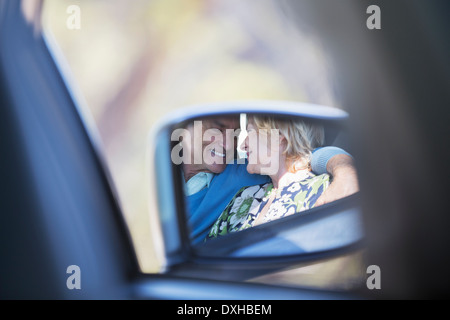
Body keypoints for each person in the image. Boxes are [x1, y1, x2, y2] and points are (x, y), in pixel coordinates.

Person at [177, 115, 358, 244]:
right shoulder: (245, 194)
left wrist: (346, 171)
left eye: (237, 133)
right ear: (185, 128)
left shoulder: (241, 174)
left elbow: (304, 157)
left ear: (280, 137)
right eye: (217, 128)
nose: (231, 144)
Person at [206, 115, 331, 239]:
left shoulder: (324, 190)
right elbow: (209, 249)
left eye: (250, 132)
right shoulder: (244, 195)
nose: (242, 145)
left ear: (278, 135)